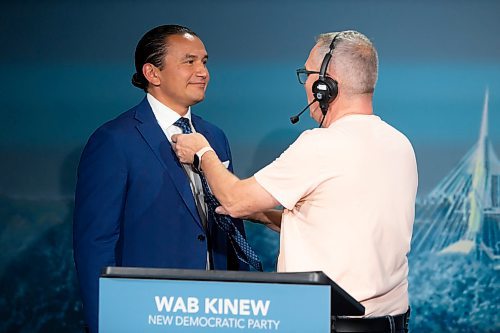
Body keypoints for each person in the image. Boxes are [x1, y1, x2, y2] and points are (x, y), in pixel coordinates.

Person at [173, 30, 418, 332]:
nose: (305, 83)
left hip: (328, 324)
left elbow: (235, 199)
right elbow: (338, 221)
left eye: (308, 74)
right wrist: (262, 214)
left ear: (325, 85)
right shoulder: (399, 144)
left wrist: (202, 152)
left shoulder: (321, 145)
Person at [73, 25, 255, 333]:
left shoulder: (215, 137)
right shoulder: (114, 140)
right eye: (189, 61)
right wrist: (105, 322)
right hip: (147, 314)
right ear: (152, 73)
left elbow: (229, 224)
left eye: (205, 62)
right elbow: (96, 243)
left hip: (218, 312)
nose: (202, 72)